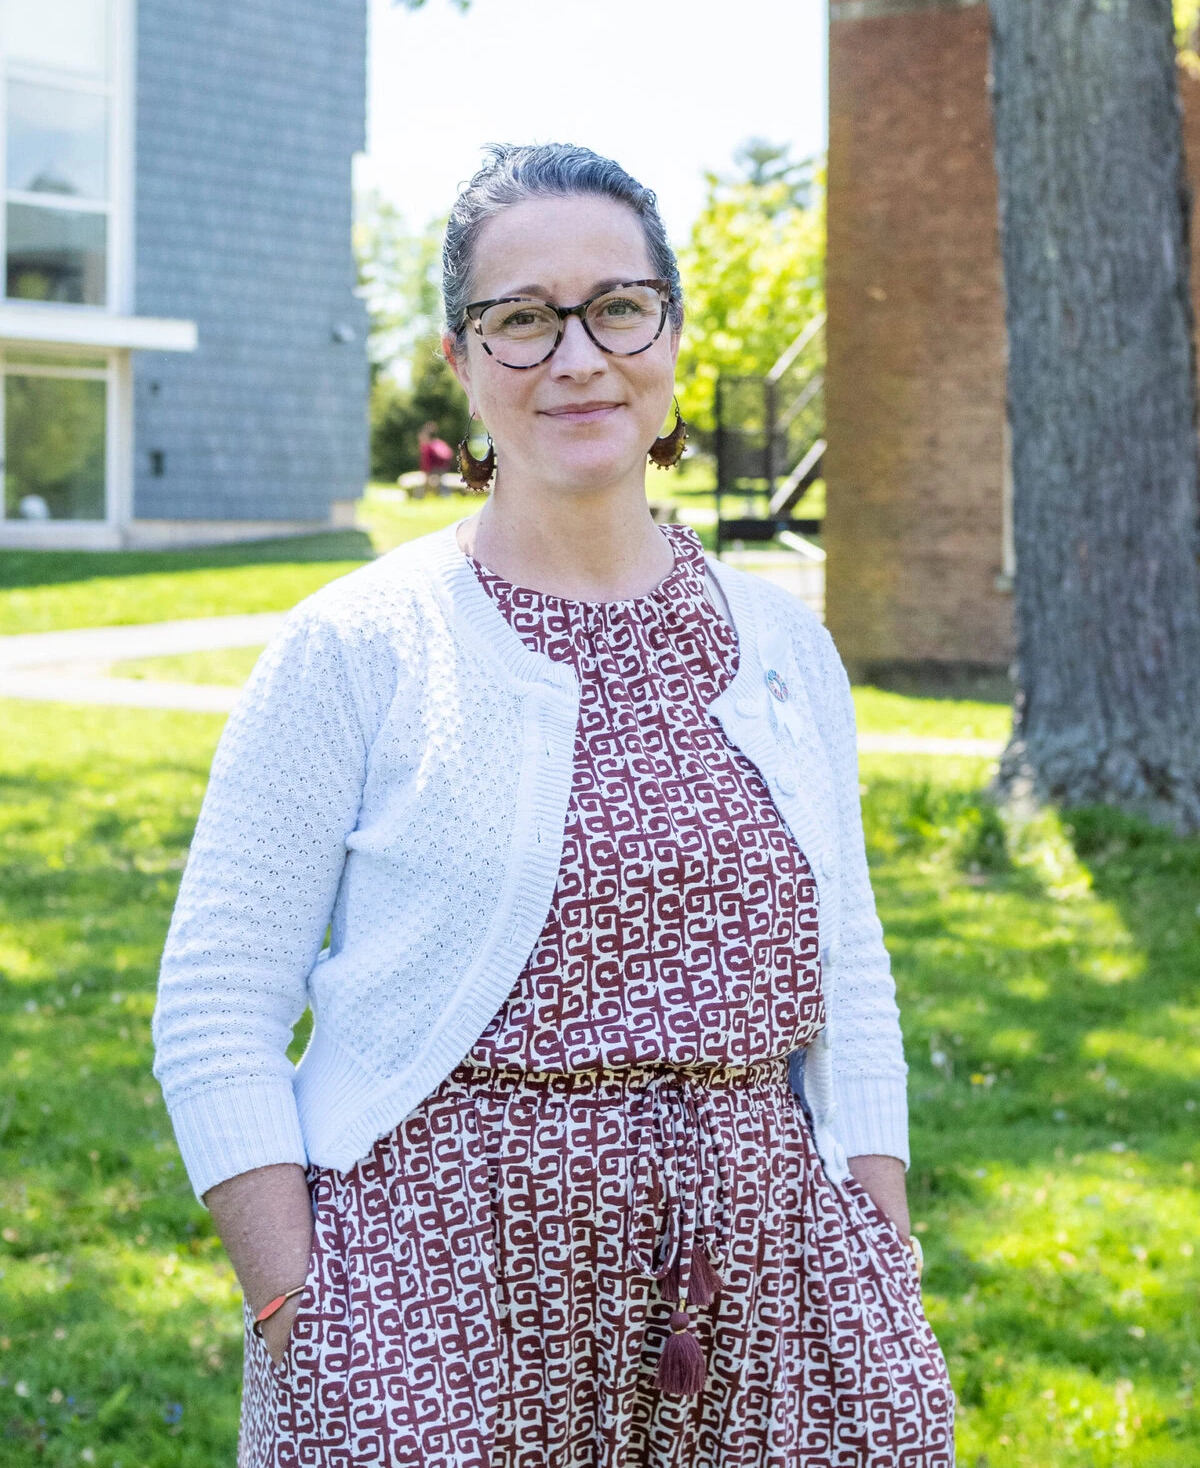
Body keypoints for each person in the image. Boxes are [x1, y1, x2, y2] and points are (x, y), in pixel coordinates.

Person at [152, 143, 955, 1467]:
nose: (577, 357)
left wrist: (878, 1234)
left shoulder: (785, 647)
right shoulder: (357, 646)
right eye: (521, 319)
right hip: (437, 1303)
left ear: (671, 333)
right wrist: (303, 1309)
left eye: (617, 306)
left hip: (777, 1284)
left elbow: (849, 972)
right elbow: (215, 1004)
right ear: (463, 362)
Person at [416, 418, 455, 495]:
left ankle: (419, 497)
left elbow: (426, 462)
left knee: (426, 484)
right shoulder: (438, 443)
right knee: (440, 482)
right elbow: (449, 454)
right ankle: (446, 495)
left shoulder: (427, 447)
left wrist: (426, 473)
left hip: (434, 470)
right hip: (443, 468)